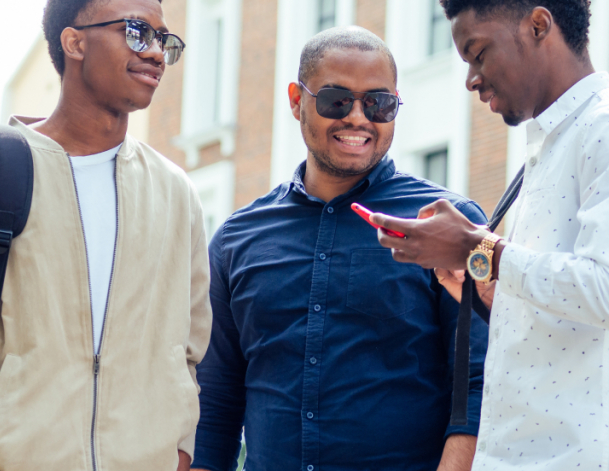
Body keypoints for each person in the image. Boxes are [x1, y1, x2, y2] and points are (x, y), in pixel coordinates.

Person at [0, 0, 210, 471]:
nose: (154, 51)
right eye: (136, 31)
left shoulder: (175, 193)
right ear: (75, 41)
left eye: (162, 39)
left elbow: (188, 356)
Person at [370, 0, 609, 471]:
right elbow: (572, 303)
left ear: (539, 25)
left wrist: (480, 249)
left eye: (478, 52)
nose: (471, 78)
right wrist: (489, 287)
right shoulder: (550, 146)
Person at [191, 26, 490, 471]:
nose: (357, 117)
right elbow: (216, 402)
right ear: (297, 100)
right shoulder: (237, 239)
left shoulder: (448, 226)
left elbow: (480, 387)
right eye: (336, 100)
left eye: (378, 103)